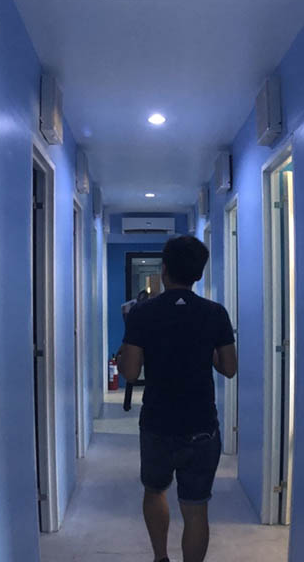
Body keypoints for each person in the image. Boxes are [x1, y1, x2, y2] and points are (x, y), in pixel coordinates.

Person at [118, 235, 238, 562]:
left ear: (165, 269)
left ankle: (161, 558)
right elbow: (229, 368)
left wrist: (126, 348)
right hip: (202, 426)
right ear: (198, 274)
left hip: (158, 424)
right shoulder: (215, 313)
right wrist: (204, 348)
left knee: (155, 491)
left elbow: (131, 372)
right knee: (196, 509)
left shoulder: (142, 313)